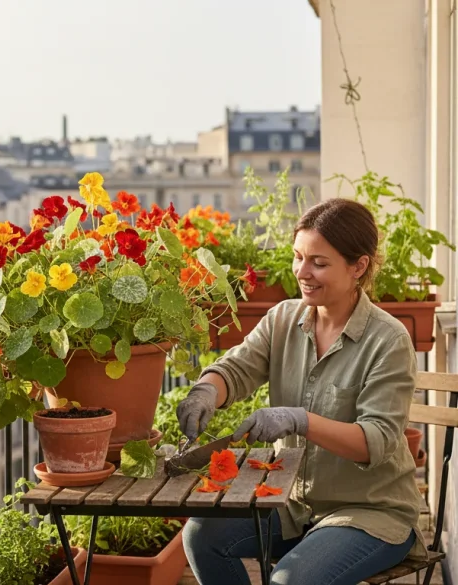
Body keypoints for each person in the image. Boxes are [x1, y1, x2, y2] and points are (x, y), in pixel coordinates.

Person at [176, 198, 425, 585]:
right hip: (289, 502)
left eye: (319, 263)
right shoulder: (282, 319)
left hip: (369, 512)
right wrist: (206, 392)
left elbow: (375, 441)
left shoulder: (388, 340)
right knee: (200, 536)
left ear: (358, 266)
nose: (302, 272)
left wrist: (300, 420)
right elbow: (235, 369)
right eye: (298, 257)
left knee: (289, 581)